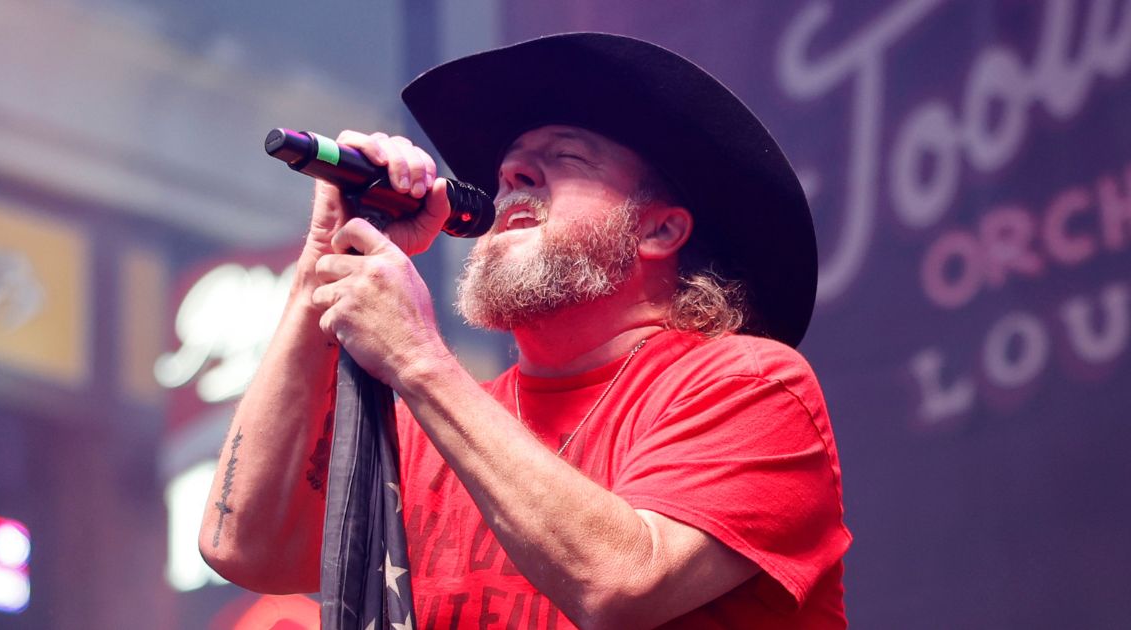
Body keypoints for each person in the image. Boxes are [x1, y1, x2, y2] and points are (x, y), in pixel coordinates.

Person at [199, 33, 851, 629]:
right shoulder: (436, 428)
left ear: (659, 230)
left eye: (565, 157)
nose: (512, 176)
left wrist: (418, 360)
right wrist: (322, 257)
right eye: (511, 167)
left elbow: (620, 584)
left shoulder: (752, 387)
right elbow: (244, 546)